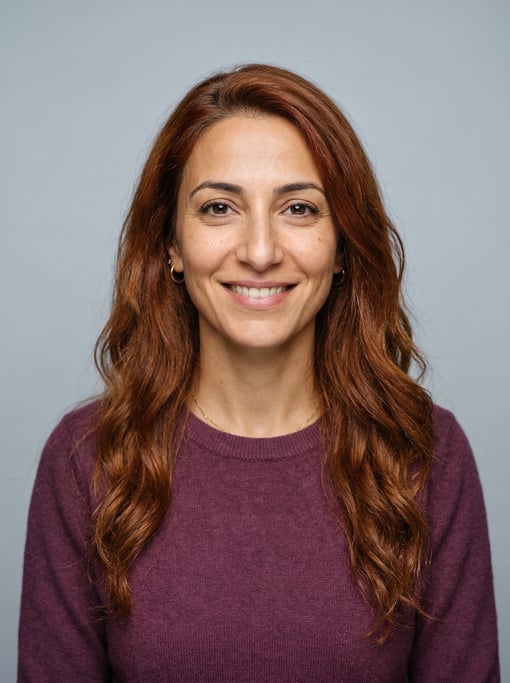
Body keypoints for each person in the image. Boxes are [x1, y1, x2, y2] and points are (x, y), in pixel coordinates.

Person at [18, 64, 499, 682]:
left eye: (299, 208)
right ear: (170, 245)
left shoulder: (427, 455)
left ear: (343, 246)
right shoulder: (85, 458)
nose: (261, 251)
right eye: (219, 207)